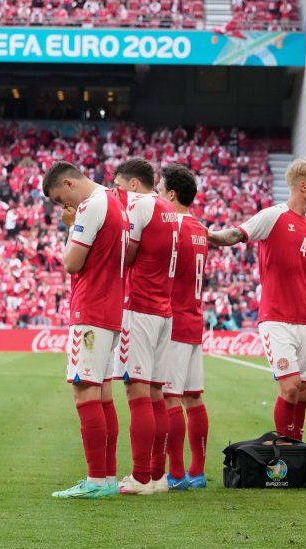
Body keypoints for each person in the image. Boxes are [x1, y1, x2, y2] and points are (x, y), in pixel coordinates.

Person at [208, 159, 306, 442]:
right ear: (302, 185)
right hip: (276, 318)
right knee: (290, 387)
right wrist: (207, 235)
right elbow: (237, 234)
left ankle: (296, 449)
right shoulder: (272, 216)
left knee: (304, 390)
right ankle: (284, 454)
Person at [44, 161, 127, 499]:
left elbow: (71, 262)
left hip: (90, 307)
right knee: (103, 392)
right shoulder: (115, 201)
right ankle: (105, 478)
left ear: (68, 183)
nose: (63, 206)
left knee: (85, 392)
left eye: (59, 197)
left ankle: (96, 480)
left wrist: (70, 226)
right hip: (110, 306)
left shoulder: (91, 206)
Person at [111, 158, 179, 495]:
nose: (117, 194)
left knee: (136, 391)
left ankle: (139, 478)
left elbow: (127, 254)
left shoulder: (138, 205)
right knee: (155, 393)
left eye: (119, 186)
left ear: (133, 184)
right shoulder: (168, 208)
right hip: (164, 310)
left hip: (139, 308)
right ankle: (157, 475)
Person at [159, 164, 209, 490]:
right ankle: (198, 472)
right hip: (193, 319)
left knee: (170, 399)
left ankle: (176, 473)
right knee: (194, 399)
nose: (158, 197)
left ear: (172, 194)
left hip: (174, 321)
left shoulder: (170, 228)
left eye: (161, 191)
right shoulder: (200, 229)